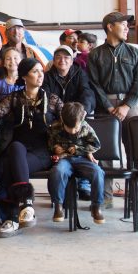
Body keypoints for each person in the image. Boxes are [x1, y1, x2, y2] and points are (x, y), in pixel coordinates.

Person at [0, 58, 63, 238]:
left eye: (41, 71)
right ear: (24, 76)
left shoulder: (51, 99)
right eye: (35, 71)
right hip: (18, 148)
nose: (40, 75)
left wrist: (65, 144)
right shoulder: (14, 98)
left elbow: (72, 119)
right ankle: (26, 206)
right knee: (14, 149)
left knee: (10, 166)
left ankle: (11, 219)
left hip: (41, 152)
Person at [88, 11, 138, 213]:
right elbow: (94, 83)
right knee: (104, 152)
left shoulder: (134, 53)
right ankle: (104, 197)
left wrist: (126, 106)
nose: (127, 28)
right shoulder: (95, 54)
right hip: (104, 107)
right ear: (110, 27)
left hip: (129, 105)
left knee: (136, 149)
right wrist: (108, 106)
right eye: (123, 24)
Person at [43, 45, 96, 200]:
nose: (62, 60)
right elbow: (45, 98)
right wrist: (56, 119)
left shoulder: (80, 74)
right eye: (58, 57)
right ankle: (60, 184)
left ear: (72, 60)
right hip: (56, 120)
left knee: (82, 141)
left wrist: (81, 112)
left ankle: (84, 183)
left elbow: (87, 93)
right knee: (56, 148)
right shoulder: (47, 76)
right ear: (53, 60)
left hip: (76, 119)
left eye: (66, 57)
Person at [47, 102, 105, 224]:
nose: (73, 131)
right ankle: (58, 206)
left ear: (82, 118)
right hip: (65, 159)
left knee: (98, 172)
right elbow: (50, 142)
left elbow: (96, 144)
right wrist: (55, 147)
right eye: (69, 128)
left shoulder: (86, 127)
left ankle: (96, 207)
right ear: (62, 119)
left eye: (76, 128)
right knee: (57, 171)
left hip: (82, 159)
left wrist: (79, 149)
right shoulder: (56, 127)